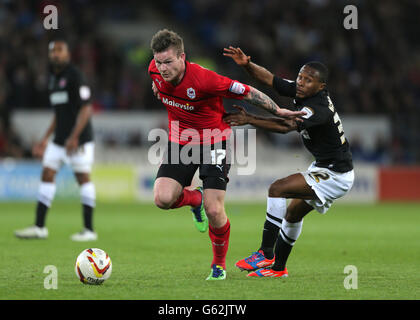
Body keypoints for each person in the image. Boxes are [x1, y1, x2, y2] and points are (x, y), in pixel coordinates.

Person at [149, 30, 305, 280]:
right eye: (158, 62)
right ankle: (195, 199)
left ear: (182, 57)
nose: (163, 68)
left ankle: (218, 265)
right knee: (162, 199)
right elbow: (158, 84)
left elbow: (246, 91)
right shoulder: (154, 71)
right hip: (180, 140)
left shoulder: (204, 79)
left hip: (213, 140)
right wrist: (159, 91)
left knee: (214, 211)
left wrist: (278, 110)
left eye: (168, 62)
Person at [223, 46, 354, 278]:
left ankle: (266, 253)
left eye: (308, 80)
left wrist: (249, 119)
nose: (301, 82)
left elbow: (286, 127)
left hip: (336, 174)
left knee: (277, 188)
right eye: (300, 77)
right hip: (325, 167)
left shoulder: (318, 108)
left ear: (320, 86)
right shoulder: (302, 92)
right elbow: (270, 79)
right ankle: (279, 269)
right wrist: (246, 64)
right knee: (292, 215)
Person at [15, 39, 97, 242]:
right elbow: (58, 113)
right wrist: (44, 139)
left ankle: (89, 230)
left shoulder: (75, 76)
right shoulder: (52, 78)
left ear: (68, 54)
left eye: (60, 50)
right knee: (47, 173)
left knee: (82, 178)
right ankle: (39, 227)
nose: (56, 54)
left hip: (79, 140)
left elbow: (86, 108)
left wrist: (75, 136)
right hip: (59, 139)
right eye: (53, 51)